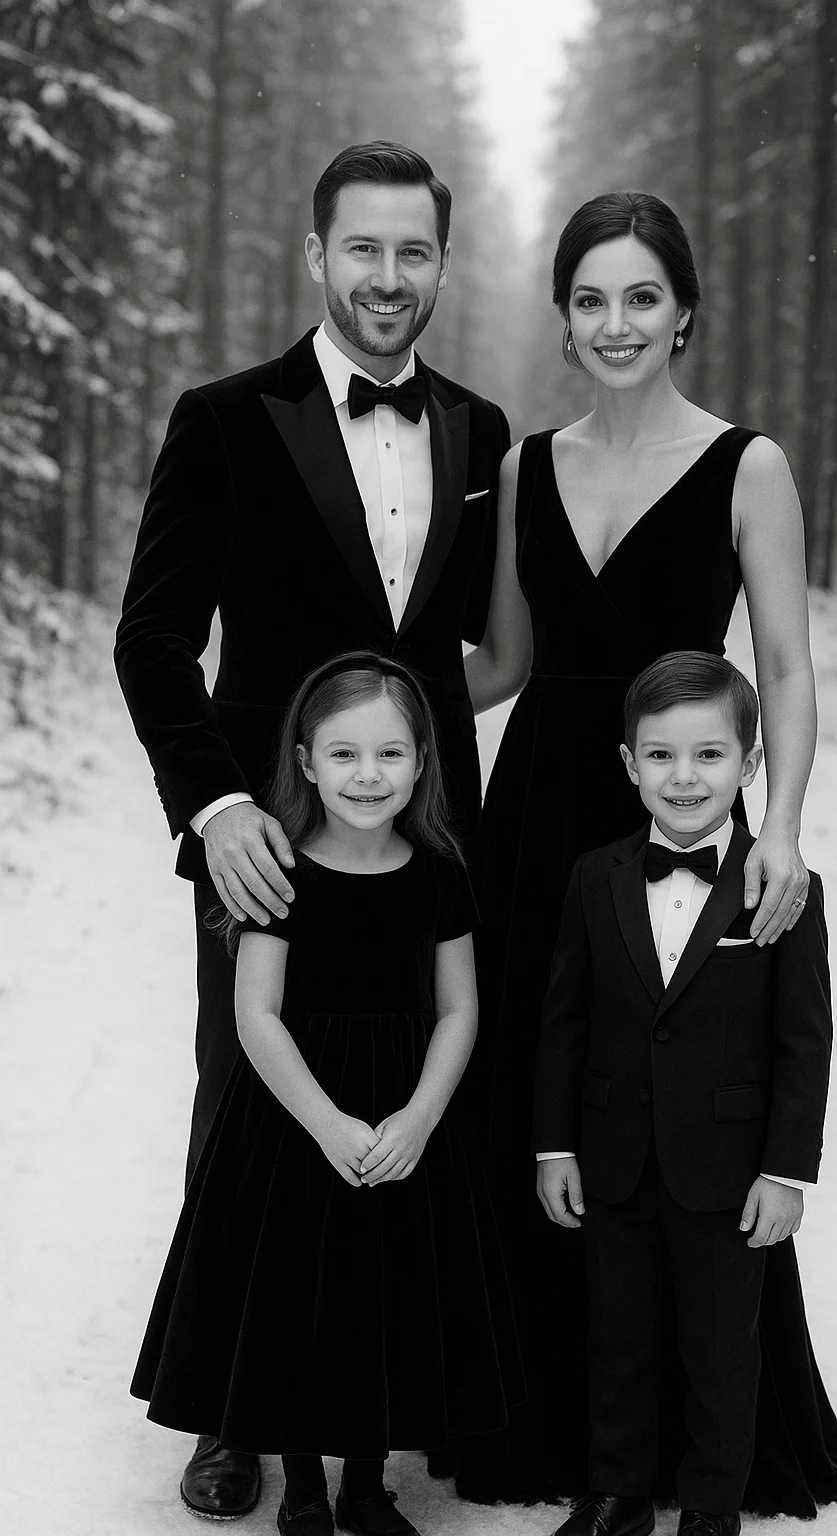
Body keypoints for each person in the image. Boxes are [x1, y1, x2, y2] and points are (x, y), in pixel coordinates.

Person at [454, 191, 837, 1512]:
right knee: (547, 1101)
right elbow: (506, 664)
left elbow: (789, 670)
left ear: (684, 311)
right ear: (564, 320)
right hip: (535, 828)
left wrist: (784, 825)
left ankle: (710, 1433)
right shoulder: (525, 466)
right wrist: (353, 707)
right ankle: (542, 1423)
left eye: (642, 296)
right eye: (590, 298)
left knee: (693, 1108)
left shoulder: (748, 464)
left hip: (679, 809)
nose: (616, 321)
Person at [115, 141, 509, 1517]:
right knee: (248, 1105)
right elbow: (154, 637)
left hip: (415, 842)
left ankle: (397, 1396)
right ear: (316, 255)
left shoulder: (480, 428)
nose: (388, 278)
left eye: (414, 253)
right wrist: (213, 806)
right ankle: (232, 1407)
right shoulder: (225, 418)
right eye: (364, 249)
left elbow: (470, 651)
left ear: (442, 265)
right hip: (265, 839)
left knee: (410, 1106)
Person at [131, 653, 523, 1536]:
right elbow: (257, 1016)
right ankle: (303, 1485)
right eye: (343, 754)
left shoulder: (439, 873)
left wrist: (418, 1117)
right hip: (296, 1119)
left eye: (390, 753)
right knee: (294, 1294)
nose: (367, 775)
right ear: (305, 761)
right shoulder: (280, 873)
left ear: (424, 760)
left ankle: (366, 1484)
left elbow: (461, 1008)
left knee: (381, 1294)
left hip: (399, 1116)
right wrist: (326, 1124)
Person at [533, 652, 833, 1536]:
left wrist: (786, 1170)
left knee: (720, 1346)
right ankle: (617, 1493)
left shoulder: (781, 887)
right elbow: (565, 1021)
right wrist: (554, 1145)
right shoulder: (596, 876)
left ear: (749, 766)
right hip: (614, 1158)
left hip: (729, 1167)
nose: (684, 777)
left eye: (709, 756)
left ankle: (711, 1505)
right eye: (660, 756)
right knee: (616, 1338)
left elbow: (803, 1042)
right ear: (629, 764)